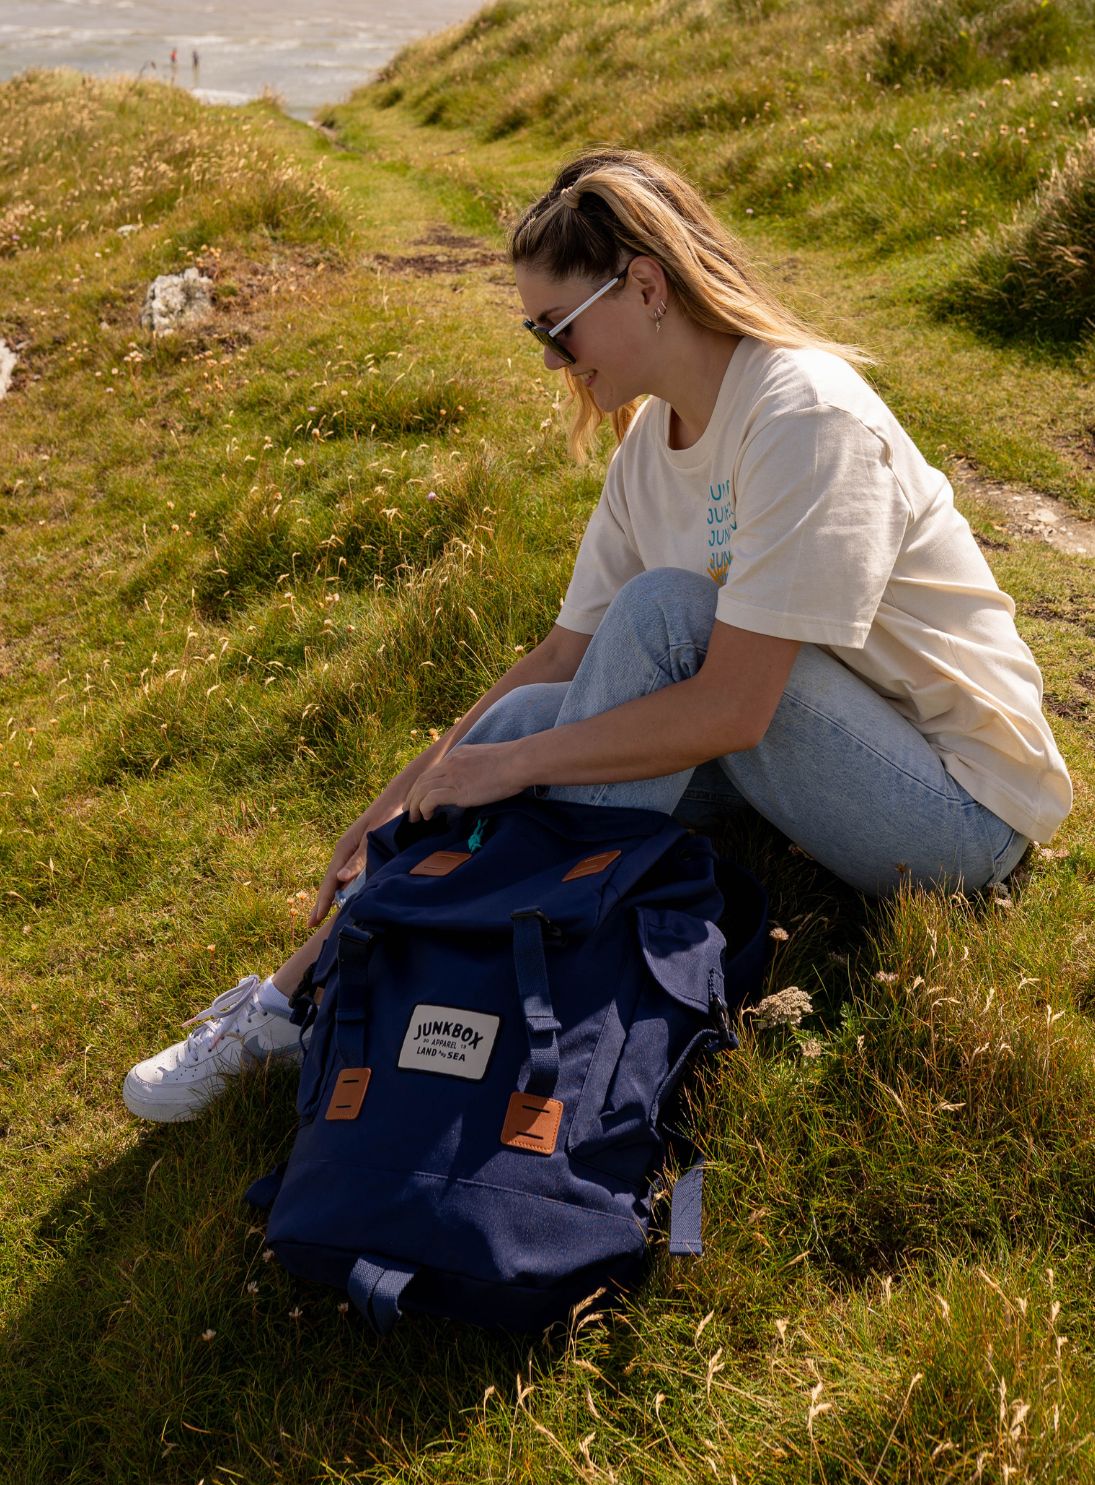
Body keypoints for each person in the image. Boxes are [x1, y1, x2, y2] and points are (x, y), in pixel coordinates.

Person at [122, 148, 1072, 1124]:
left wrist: (515, 767)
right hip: (808, 758)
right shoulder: (649, 448)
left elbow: (734, 705)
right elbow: (560, 659)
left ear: (647, 288)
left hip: (957, 812)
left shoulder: (804, 417)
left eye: (557, 328)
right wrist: (405, 792)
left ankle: (485, 980)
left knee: (658, 619)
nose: (547, 357)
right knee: (527, 713)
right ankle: (303, 993)